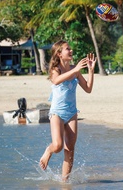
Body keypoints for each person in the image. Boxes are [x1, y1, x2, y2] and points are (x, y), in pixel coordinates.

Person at [39, 40, 96, 181]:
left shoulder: (74, 70)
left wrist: (90, 70)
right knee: (58, 145)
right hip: (57, 113)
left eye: (70, 49)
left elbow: (88, 89)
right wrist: (75, 70)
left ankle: (65, 182)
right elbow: (56, 80)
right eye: (67, 49)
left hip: (71, 113)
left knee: (70, 149)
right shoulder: (55, 69)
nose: (70, 51)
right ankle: (48, 150)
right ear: (59, 54)